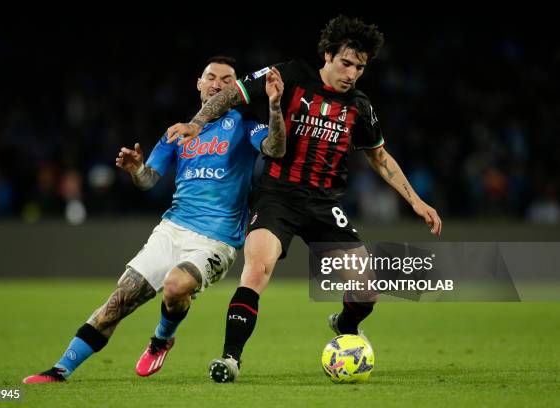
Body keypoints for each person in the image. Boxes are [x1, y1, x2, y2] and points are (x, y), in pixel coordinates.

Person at [166, 16, 442, 383]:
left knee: (367, 291)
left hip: (324, 204)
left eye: (360, 67)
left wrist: (415, 201)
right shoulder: (290, 74)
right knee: (257, 269)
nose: (352, 73)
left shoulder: (359, 105)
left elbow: (379, 157)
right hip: (278, 196)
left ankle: (343, 323)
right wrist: (197, 124)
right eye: (346, 63)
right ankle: (230, 359)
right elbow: (235, 94)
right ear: (327, 55)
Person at [22, 56, 286, 383]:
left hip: (216, 240)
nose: (218, 84)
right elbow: (149, 182)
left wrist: (274, 107)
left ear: (237, 88)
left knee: (176, 286)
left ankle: (161, 339)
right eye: (211, 77)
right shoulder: (176, 133)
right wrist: (136, 170)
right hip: (171, 230)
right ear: (199, 84)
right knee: (119, 302)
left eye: (227, 80)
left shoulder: (245, 126)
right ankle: (61, 369)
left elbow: (275, 148)